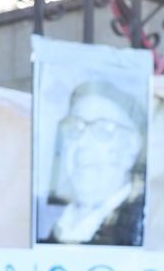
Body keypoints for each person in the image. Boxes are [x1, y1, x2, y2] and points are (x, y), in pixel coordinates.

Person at [39, 79, 147, 246]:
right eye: (74, 128)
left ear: (132, 147)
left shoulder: (143, 225)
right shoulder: (55, 224)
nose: (82, 142)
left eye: (103, 129)